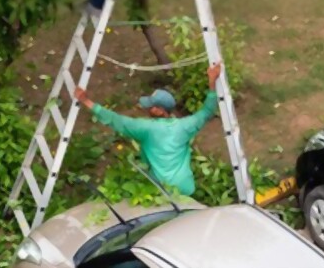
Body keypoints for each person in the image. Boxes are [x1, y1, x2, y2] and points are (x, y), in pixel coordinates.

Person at [74, 62, 223, 196]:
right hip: (185, 188)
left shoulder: (146, 128)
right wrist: (212, 81)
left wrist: (86, 101)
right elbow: (207, 111)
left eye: (151, 106)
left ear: (160, 110)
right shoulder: (185, 126)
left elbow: (117, 121)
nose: (146, 108)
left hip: (163, 191)